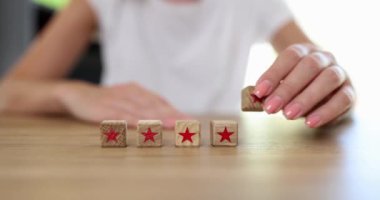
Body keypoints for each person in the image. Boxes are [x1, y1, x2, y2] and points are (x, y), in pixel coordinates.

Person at [0, 0, 355, 128]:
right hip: (122, 169)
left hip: (213, 170)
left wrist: (331, 81)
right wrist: (68, 94)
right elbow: (7, 93)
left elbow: (319, 79)